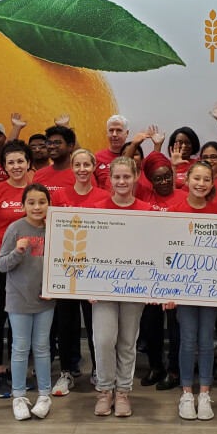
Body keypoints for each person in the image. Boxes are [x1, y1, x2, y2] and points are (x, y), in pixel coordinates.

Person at [90, 157, 152, 417]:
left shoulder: (147, 211)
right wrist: (87, 286)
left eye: (127, 177)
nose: (122, 182)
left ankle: (123, 391)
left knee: (127, 341)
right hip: (103, 287)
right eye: (117, 177)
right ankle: (105, 390)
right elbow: (88, 250)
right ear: (109, 180)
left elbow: (154, 251)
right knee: (103, 340)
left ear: (136, 177)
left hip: (134, 287)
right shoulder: (96, 209)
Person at [166, 162, 217, 421]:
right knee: (188, 339)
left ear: (212, 184)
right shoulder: (174, 211)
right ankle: (187, 393)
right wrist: (166, 291)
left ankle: (205, 393)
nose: (201, 184)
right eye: (196, 178)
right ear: (186, 179)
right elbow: (164, 254)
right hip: (182, 290)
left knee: (206, 341)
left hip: (210, 290)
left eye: (206, 180)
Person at [49, 148, 107, 395]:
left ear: (94, 167)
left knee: (96, 323)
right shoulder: (60, 195)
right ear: (71, 168)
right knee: (66, 322)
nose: (82, 169)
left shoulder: (105, 196)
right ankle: (66, 372)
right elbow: (54, 230)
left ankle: (98, 370)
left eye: (87, 164)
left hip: (95, 269)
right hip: (66, 268)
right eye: (77, 165)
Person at [0, 184, 55, 420]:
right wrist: (17, 252)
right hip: (18, 299)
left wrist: (56, 289)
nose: (37, 207)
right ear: (23, 206)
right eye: (31, 202)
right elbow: (1, 264)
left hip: (45, 300)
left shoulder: (54, 228)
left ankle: (45, 395)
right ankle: (19, 396)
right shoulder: (15, 229)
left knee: (42, 347)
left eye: (42, 202)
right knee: (20, 348)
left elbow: (62, 264)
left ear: (49, 204)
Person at [0, 140, 32, 397]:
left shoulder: (36, 192)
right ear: (4, 166)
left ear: (28, 163)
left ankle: (16, 369)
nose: (16, 166)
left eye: (20, 161)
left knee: (21, 317)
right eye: (10, 162)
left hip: (29, 264)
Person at [135, 151, 185, 390]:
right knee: (150, 324)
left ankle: (175, 371)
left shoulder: (186, 197)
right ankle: (156, 367)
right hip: (149, 271)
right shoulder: (143, 197)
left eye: (167, 176)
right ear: (149, 181)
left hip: (177, 272)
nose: (164, 182)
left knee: (176, 325)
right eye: (158, 178)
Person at [32, 125, 78, 194]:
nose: (52, 146)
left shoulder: (81, 174)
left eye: (57, 143)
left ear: (70, 146)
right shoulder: (39, 175)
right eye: (49, 143)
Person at [94, 114, 129, 189]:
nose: (114, 134)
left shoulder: (134, 157)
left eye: (119, 130)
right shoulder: (97, 158)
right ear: (107, 133)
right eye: (111, 130)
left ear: (127, 133)